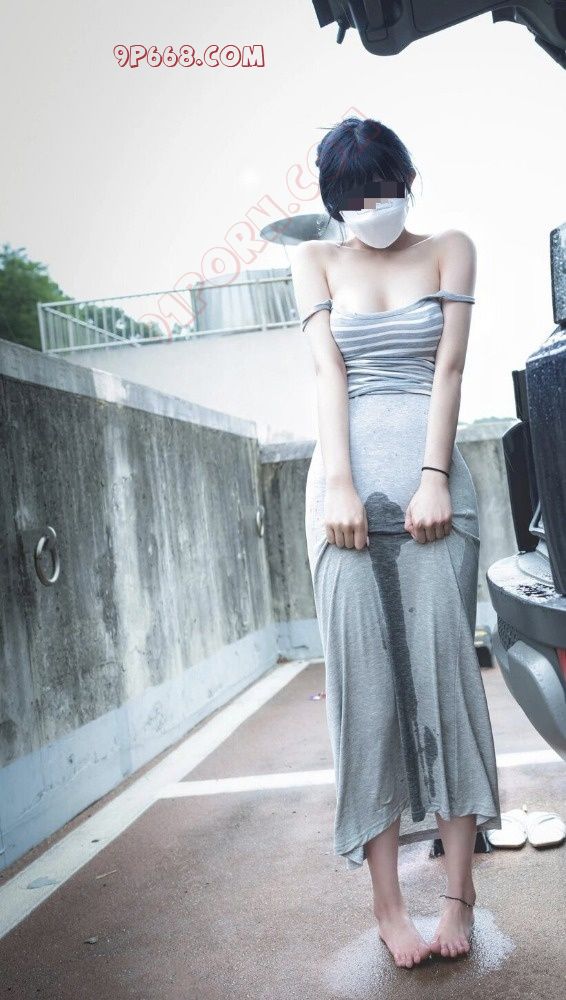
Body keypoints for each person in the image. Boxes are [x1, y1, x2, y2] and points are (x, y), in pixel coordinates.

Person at [290, 117, 502, 968]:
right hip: (341, 499)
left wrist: (434, 476)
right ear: (334, 201)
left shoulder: (451, 248)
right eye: (353, 198)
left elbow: (448, 368)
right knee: (365, 695)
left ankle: (458, 892)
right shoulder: (314, 259)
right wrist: (339, 484)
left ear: (406, 181)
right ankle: (388, 906)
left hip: (435, 494)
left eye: (381, 191)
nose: (370, 208)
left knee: (447, 678)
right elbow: (328, 372)